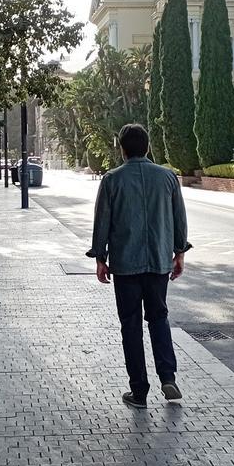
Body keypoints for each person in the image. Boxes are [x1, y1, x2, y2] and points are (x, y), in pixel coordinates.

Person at [87, 123, 191, 409]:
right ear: (147, 147)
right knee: (159, 317)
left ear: (122, 149)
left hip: (125, 264)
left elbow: (102, 221)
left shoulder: (112, 179)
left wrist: (100, 257)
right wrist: (179, 253)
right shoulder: (168, 177)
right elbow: (179, 219)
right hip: (158, 262)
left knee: (131, 326)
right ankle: (168, 376)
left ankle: (139, 391)